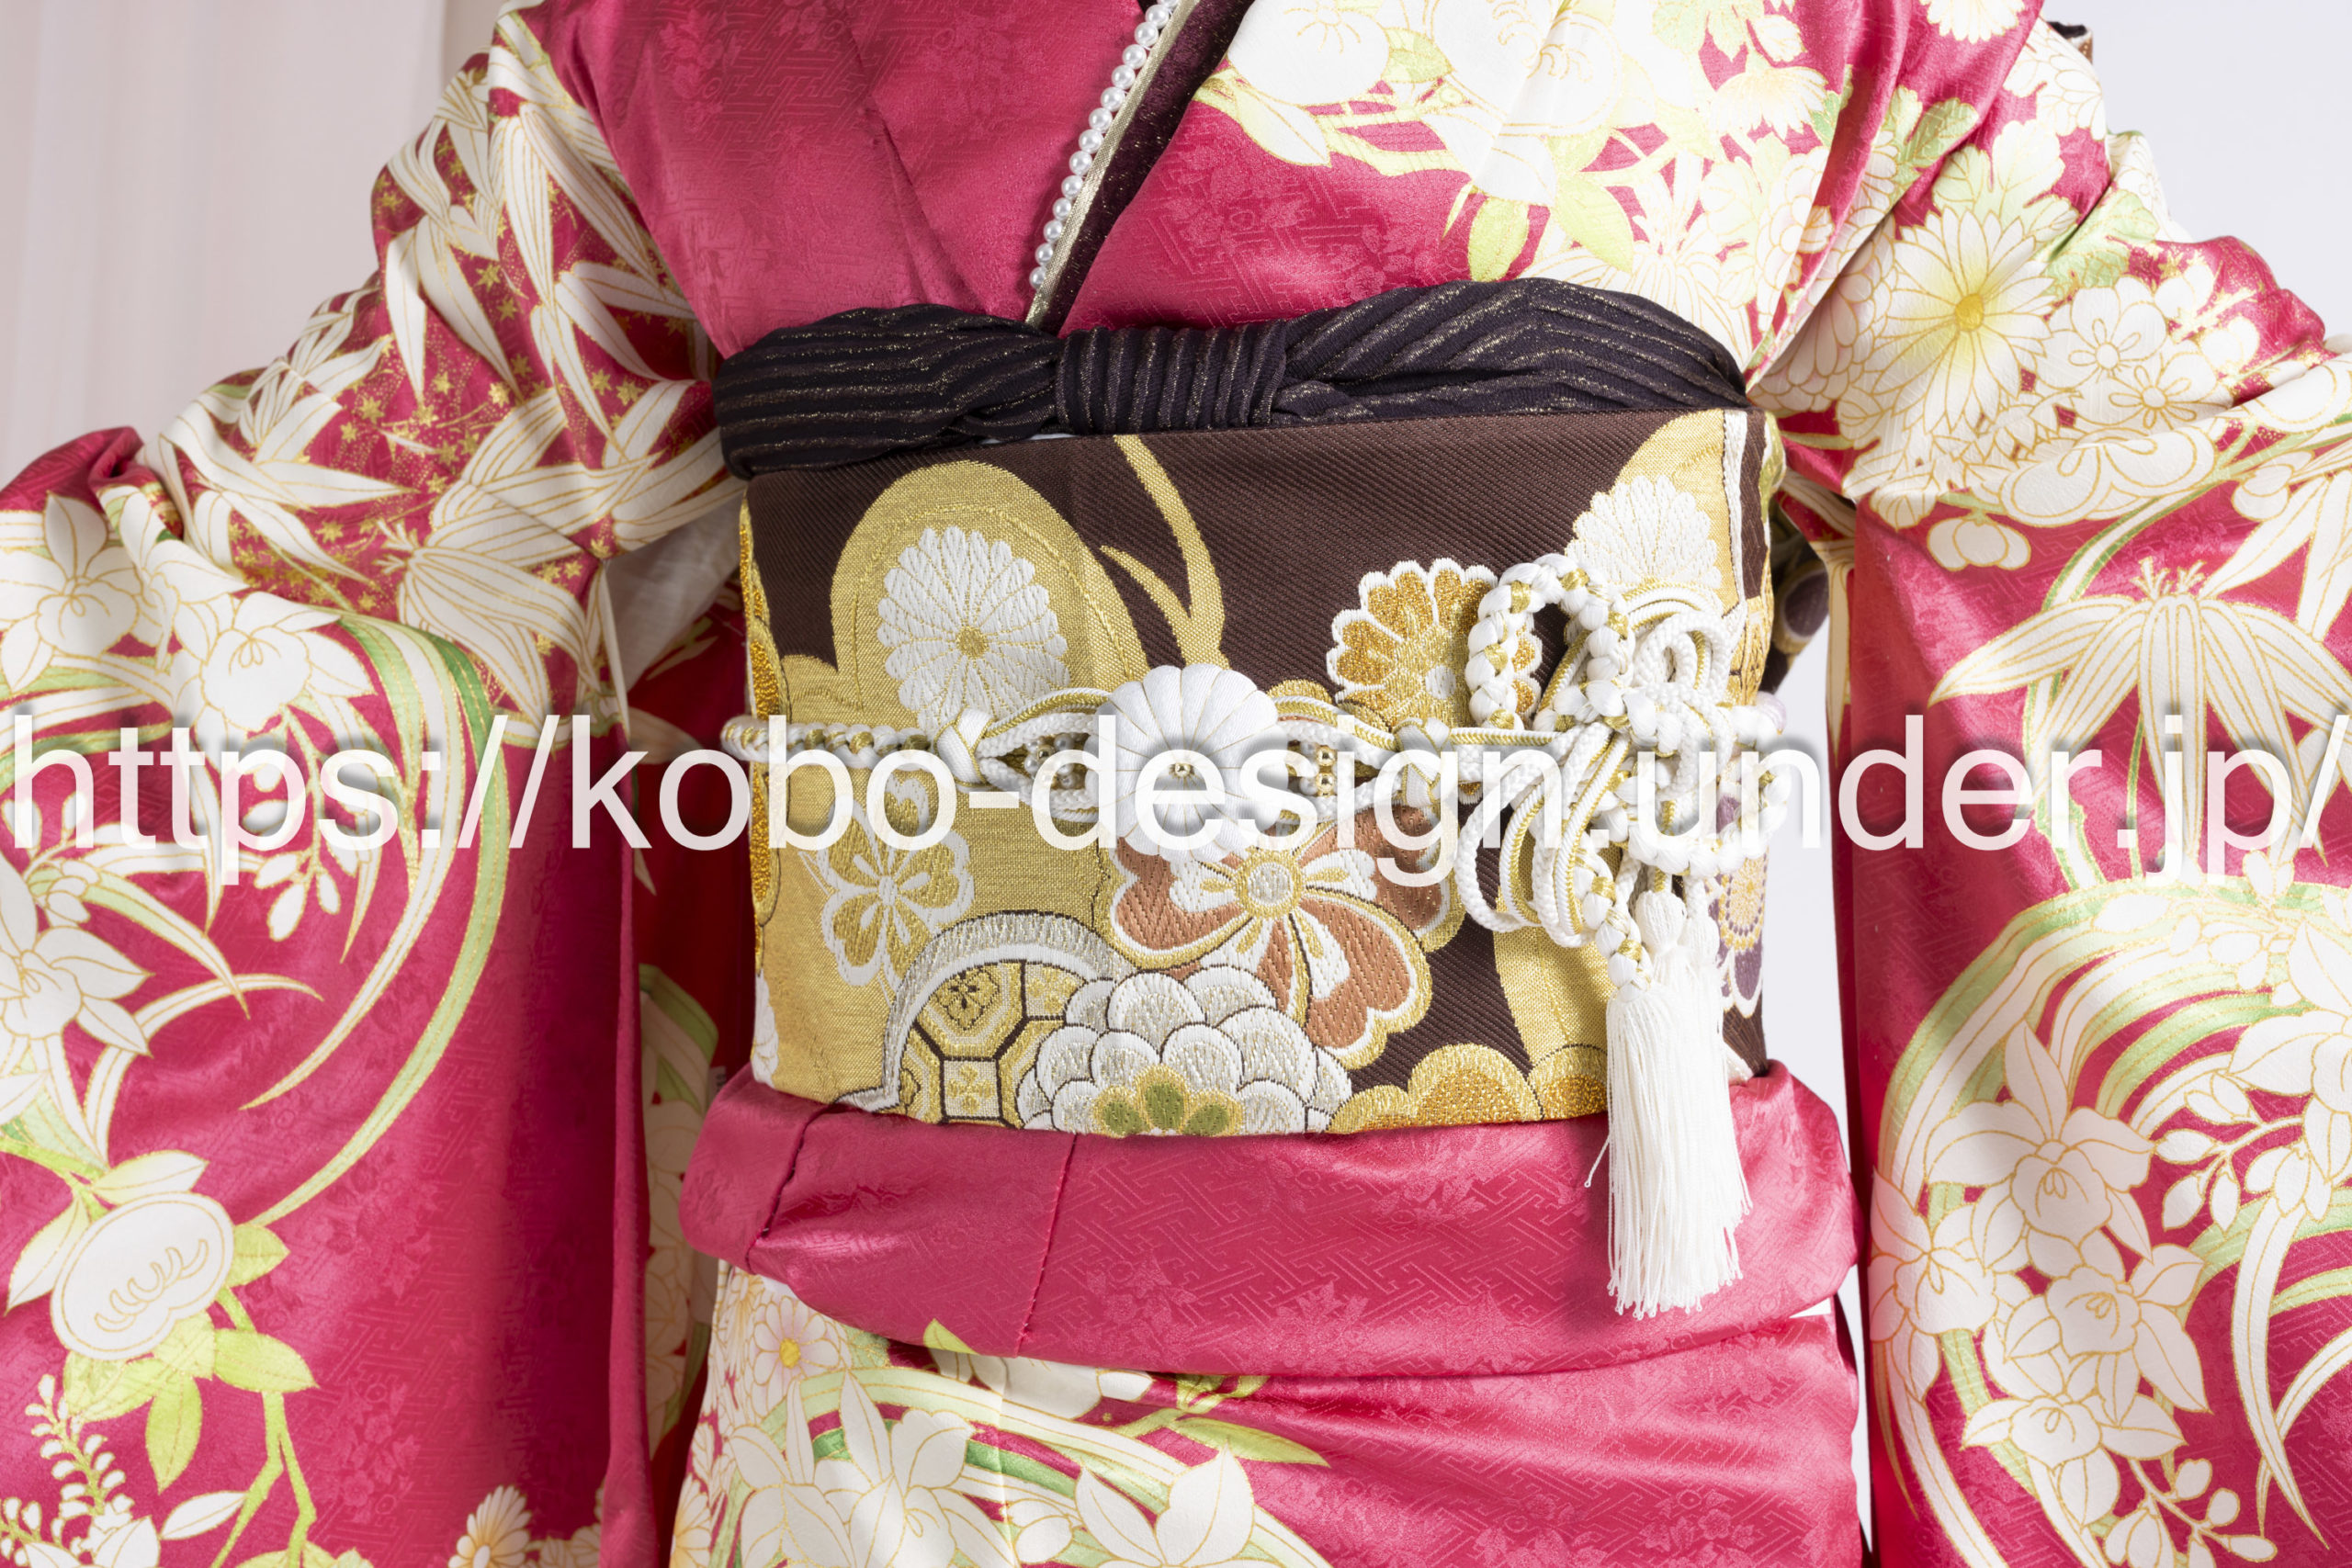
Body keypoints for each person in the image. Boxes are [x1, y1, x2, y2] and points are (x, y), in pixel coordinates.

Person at [0, 3, 2343, 1565]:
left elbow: (2155, 492)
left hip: (1608, 1404)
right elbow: (342, 561)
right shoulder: (670, 33)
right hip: (909, 1433)